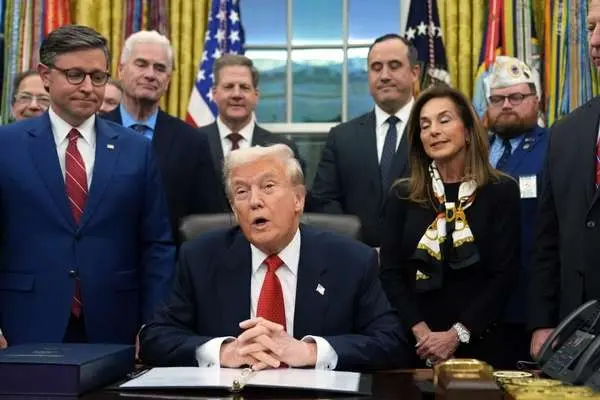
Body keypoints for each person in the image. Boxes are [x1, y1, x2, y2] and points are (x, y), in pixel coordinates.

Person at [140, 144, 409, 371]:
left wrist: (310, 352)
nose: (254, 201)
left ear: (298, 199)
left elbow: (392, 341)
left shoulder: (351, 260)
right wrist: (223, 352)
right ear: (234, 208)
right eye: (241, 192)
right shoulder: (200, 258)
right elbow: (155, 337)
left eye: (268, 186)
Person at [0, 25, 174, 348]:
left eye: (98, 77)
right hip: (22, 324)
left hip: (115, 326)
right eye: (75, 75)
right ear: (46, 75)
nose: (88, 87)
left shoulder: (137, 149)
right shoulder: (6, 146)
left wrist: (152, 325)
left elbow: (157, 246)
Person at [379, 84, 521, 368]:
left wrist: (456, 335)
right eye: (425, 125)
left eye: (444, 120)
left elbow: (504, 275)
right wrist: (422, 334)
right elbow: (390, 273)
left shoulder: (501, 190)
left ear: (467, 131)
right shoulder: (402, 195)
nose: (434, 131)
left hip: (482, 343)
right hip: (415, 346)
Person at [102, 31, 224, 245]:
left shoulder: (192, 142)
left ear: (167, 81)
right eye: (141, 64)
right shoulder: (94, 131)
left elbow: (207, 221)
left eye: (159, 68)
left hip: (169, 260)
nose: (150, 74)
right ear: (121, 70)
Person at [529, 0, 600, 359]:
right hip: (575, 337)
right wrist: (543, 322)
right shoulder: (565, 132)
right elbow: (548, 237)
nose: (595, 41)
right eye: (590, 28)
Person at [311, 33, 420, 247]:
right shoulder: (341, 137)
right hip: (355, 259)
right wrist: (354, 247)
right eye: (376, 68)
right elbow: (323, 201)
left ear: (414, 73)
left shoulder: (434, 133)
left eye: (394, 66)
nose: (384, 76)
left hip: (420, 259)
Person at [484, 56, 548, 366]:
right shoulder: (474, 150)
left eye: (516, 97)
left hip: (527, 306)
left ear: (537, 100)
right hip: (477, 307)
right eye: (497, 99)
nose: (506, 105)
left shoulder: (556, 147)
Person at [199, 54, 305, 211]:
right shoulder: (192, 143)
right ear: (214, 94)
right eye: (228, 87)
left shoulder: (281, 149)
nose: (236, 94)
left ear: (256, 95)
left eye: (244, 87)